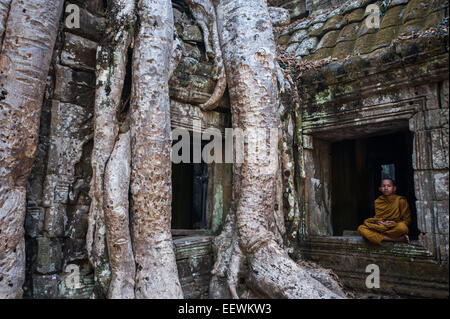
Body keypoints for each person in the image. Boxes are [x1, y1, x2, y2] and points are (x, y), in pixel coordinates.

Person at [357, 178, 411, 244]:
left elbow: (407, 220)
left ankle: (378, 237)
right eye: (383, 186)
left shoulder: (400, 200)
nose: (386, 188)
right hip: (381, 227)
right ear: (380, 189)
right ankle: (397, 239)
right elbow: (377, 218)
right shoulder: (378, 202)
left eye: (389, 186)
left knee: (403, 227)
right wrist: (379, 222)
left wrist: (394, 223)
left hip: (394, 227)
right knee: (361, 228)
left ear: (394, 188)